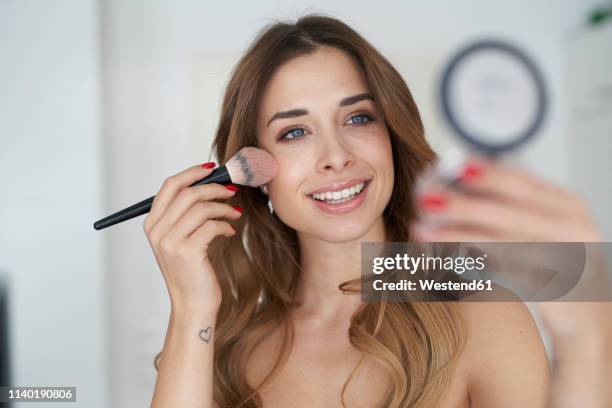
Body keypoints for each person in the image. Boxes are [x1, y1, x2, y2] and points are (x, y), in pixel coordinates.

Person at [144, 14, 608, 407]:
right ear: (253, 171)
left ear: (392, 137)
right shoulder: (226, 346)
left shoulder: (481, 316)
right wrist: (192, 310)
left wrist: (588, 339)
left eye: (358, 118)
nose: (336, 155)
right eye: (294, 133)